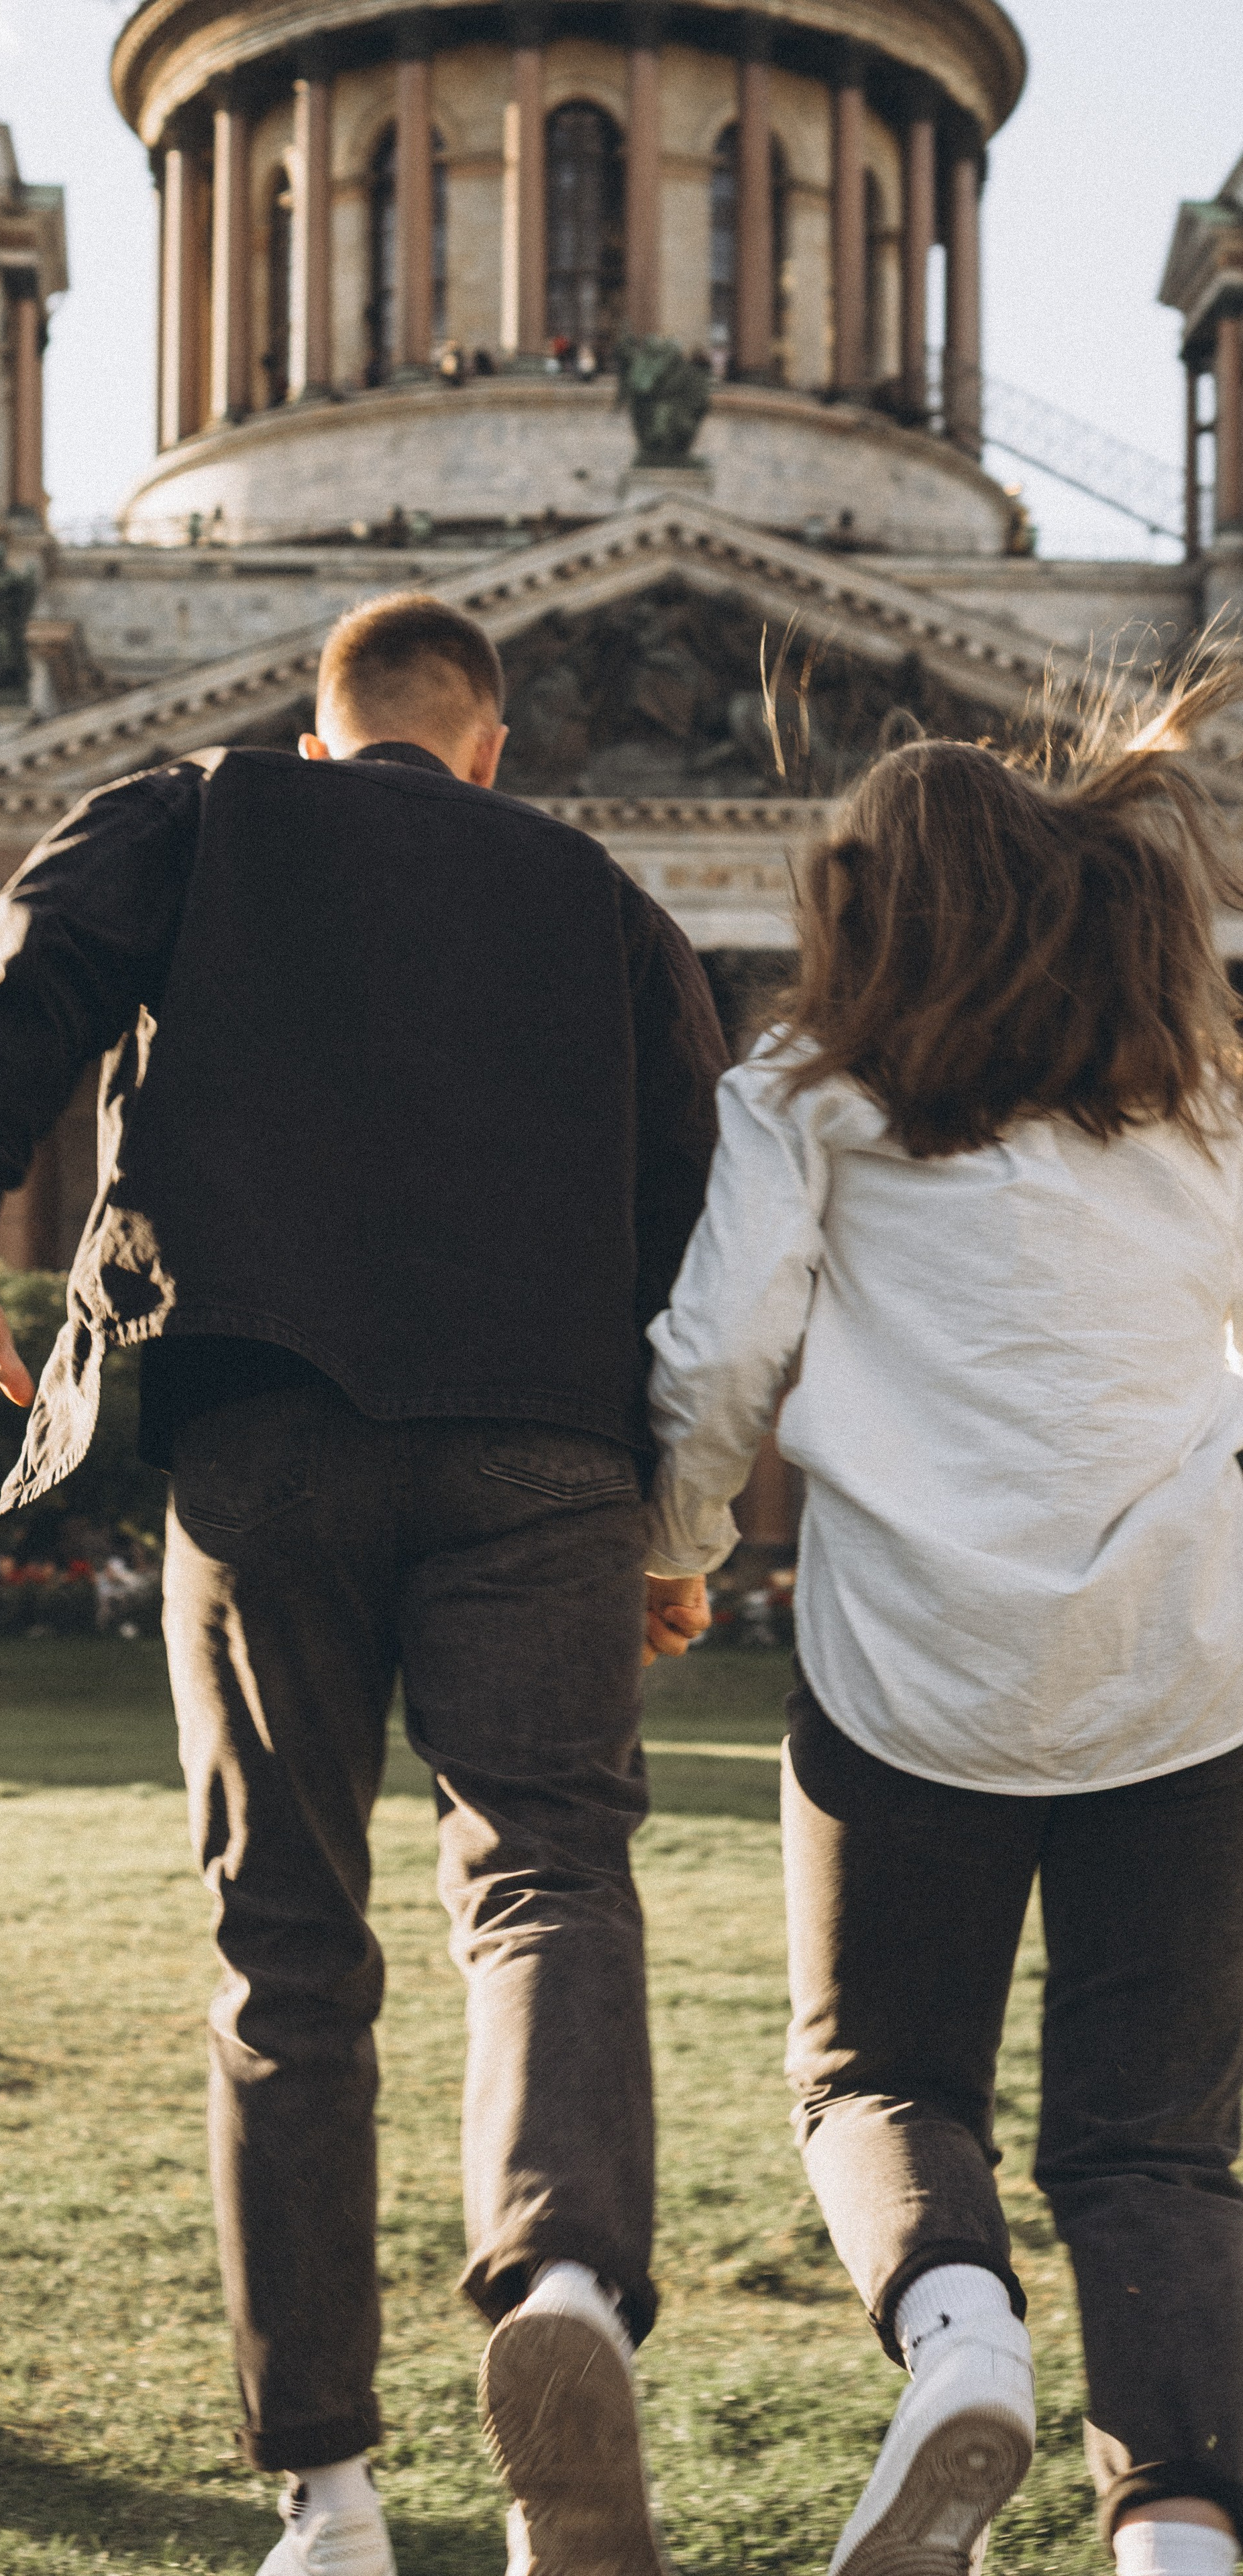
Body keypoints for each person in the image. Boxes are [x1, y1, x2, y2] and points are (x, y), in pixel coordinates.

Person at [0, 593, 728, 2576]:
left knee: (286, 1947)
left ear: (325, 723)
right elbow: (705, 1214)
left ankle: (330, 2496)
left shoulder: (211, 808)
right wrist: (681, 1525)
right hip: (541, 1454)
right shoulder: (603, 902)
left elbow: (40, 956)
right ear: (494, 745)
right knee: (545, 1878)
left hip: (264, 1427)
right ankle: (565, 2293)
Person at [642, 669, 1243, 2576]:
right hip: (1195, 1665)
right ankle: (1178, 2533)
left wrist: (678, 1548)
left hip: (911, 1679)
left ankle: (959, 2339)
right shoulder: (1200, 1098)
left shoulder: (803, 1095)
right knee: (1152, 2148)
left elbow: (717, 1352)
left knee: (883, 2077)